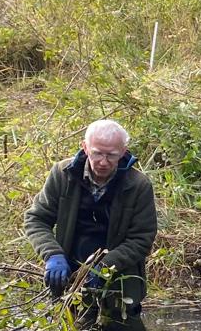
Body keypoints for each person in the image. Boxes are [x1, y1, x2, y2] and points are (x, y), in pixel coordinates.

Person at [24, 119, 158, 320]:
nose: (103, 162)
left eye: (111, 155)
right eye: (97, 153)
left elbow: (142, 238)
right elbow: (36, 219)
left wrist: (105, 267)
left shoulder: (138, 185)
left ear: (123, 152)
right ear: (85, 147)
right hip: (68, 280)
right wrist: (52, 255)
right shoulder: (62, 174)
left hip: (120, 285)